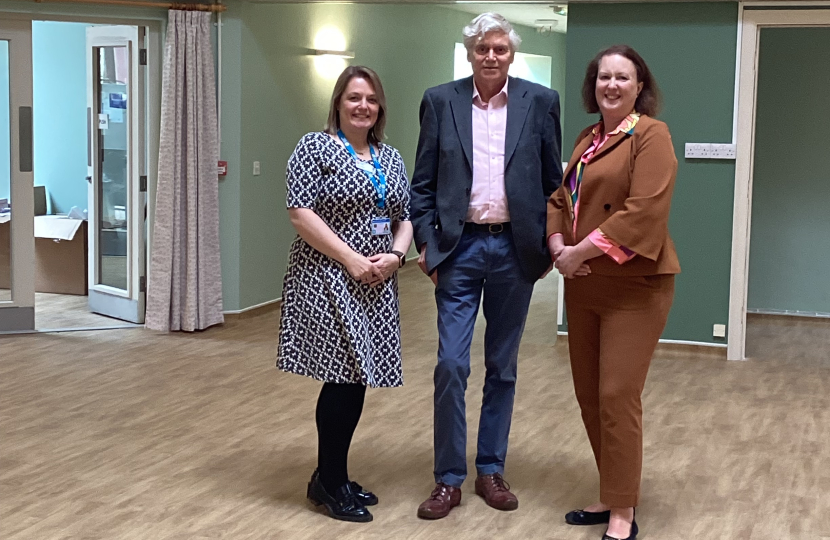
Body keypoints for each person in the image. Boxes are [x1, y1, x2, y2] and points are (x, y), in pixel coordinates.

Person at [410, 12, 563, 520]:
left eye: (499, 48)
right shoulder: (440, 100)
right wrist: (428, 246)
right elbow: (424, 182)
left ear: (511, 54)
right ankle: (448, 479)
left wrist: (543, 248)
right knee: (451, 364)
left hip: (513, 253)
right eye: (482, 49)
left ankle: (491, 469)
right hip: (459, 249)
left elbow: (551, 182)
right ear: (471, 52)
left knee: (503, 367)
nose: (491, 56)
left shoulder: (539, 102)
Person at [547, 45, 680, 540]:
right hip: (584, 286)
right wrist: (559, 242)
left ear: (639, 85)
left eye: (622, 77)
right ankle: (610, 489)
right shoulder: (588, 137)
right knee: (589, 397)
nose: (612, 85)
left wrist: (578, 253)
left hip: (634, 287)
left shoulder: (652, 135)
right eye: (604, 77)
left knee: (616, 395)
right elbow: (561, 197)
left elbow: (644, 211)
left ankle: (622, 511)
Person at [277, 66, 413, 523]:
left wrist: (395, 255)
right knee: (343, 376)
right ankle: (330, 483)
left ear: (380, 108)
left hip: (377, 281)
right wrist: (351, 258)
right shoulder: (314, 146)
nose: (363, 106)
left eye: (371, 99)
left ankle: (331, 473)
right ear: (338, 102)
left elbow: (405, 215)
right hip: (327, 278)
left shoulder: (388, 156)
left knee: (354, 380)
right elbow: (300, 212)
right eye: (354, 97)